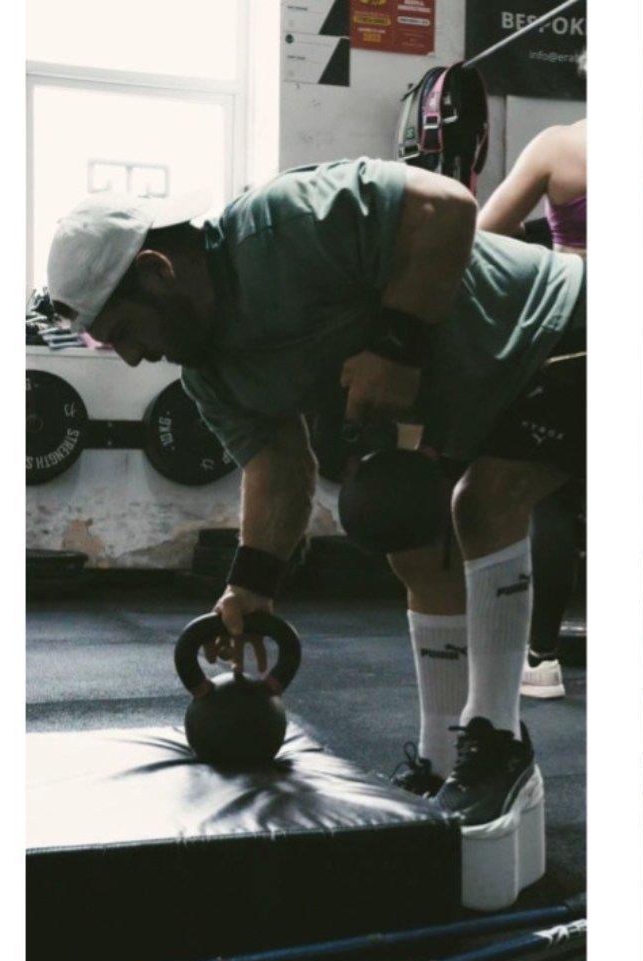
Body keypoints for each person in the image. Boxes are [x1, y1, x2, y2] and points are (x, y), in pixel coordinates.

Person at [44, 157, 584, 832]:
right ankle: (445, 758)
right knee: (406, 538)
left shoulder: (282, 222)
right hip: (477, 393)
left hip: (558, 328)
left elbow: (447, 204)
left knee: (483, 504)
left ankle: (499, 748)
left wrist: (398, 344)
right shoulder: (211, 374)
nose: (127, 356)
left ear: (158, 271)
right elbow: (277, 469)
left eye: (122, 331)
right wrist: (252, 586)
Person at [474, 119, 588, 700]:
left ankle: (541, 659)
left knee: (552, 495)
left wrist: (543, 244)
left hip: (576, 324)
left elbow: (482, 233)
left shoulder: (563, 145)